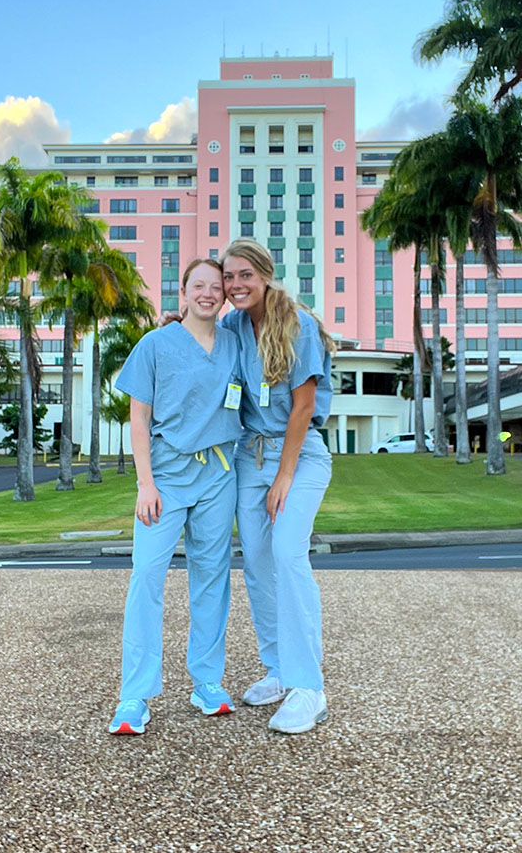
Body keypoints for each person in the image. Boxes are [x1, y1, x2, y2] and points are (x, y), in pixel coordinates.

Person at [108, 258, 243, 736]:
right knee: (146, 576)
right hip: (164, 479)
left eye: (216, 286)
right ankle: (135, 696)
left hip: (217, 478)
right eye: (198, 285)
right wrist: (145, 483)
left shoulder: (236, 343)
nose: (208, 293)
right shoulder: (155, 345)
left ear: (225, 294)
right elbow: (138, 419)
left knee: (212, 580)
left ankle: (207, 682)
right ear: (183, 291)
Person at [220, 238, 335, 734]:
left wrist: (284, 475)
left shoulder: (297, 326)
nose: (235, 285)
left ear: (265, 274)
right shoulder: (232, 324)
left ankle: (308, 687)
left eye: (245, 275)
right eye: (229, 276)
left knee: (288, 554)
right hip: (250, 456)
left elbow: (303, 407)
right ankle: (279, 668)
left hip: (299, 455)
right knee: (258, 566)